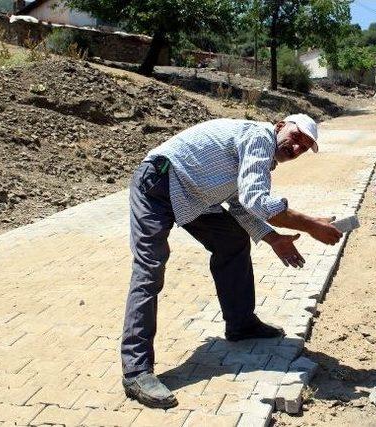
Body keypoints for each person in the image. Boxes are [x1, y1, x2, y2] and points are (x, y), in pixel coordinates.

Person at [121, 113, 343, 408]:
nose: (297, 147)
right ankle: (136, 371)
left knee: (233, 240)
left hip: (193, 196)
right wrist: (311, 224)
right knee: (149, 269)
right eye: (297, 137)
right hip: (158, 185)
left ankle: (241, 325)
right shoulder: (259, 138)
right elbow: (256, 200)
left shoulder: (262, 157)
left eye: (305, 147)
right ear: (280, 126)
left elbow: (241, 204)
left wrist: (273, 238)